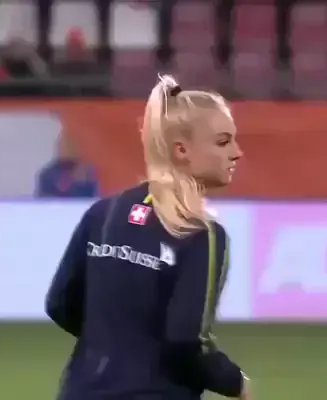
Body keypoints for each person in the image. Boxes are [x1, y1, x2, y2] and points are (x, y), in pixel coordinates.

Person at [45, 74, 249, 400]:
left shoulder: (103, 213)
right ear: (182, 150)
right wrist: (234, 381)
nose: (237, 153)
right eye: (223, 142)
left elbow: (59, 304)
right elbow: (186, 340)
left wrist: (117, 345)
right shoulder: (200, 233)